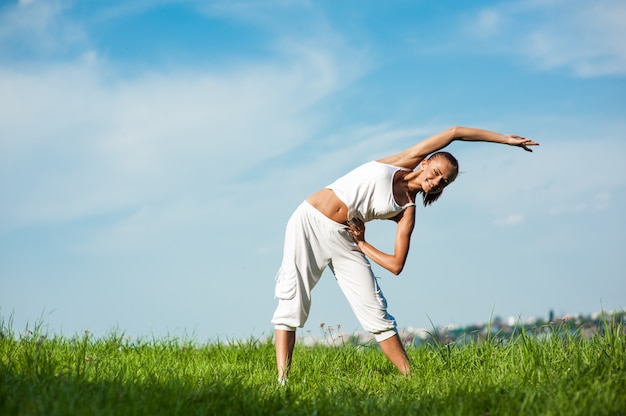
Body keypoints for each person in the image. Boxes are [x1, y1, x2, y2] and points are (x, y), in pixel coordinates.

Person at [271, 126, 539, 382]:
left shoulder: (407, 211)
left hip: (347, 237)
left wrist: (363, 244)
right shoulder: (399, 162)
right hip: (309, 220)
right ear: (424, 163)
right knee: (292, 302)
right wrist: (505, 140)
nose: (435, 182)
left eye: (443, 182)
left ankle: (412, 378)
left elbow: (396, 264)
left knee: (376, 311)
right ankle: (282, 382)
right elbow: (455, 133)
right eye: (435, 173)